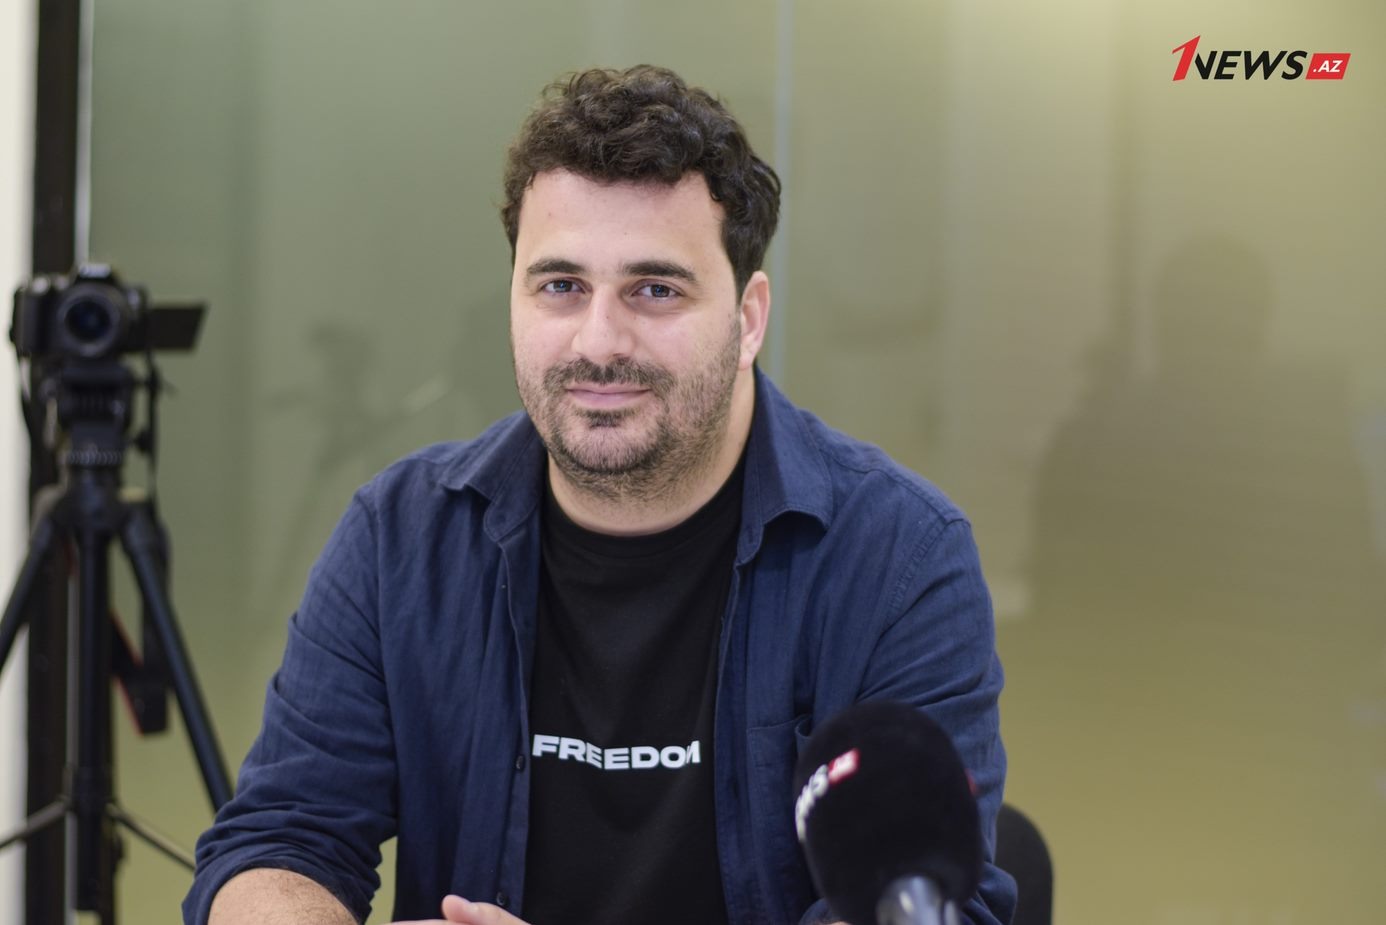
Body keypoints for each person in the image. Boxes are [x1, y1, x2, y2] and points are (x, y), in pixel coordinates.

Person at [185, 65, 1015, 925]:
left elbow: (928, 908)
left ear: (748, 319)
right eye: (561, 286)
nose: (600, 341)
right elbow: (278, 841)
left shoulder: (898, 556)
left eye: (655, 289)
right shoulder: (400, 539)